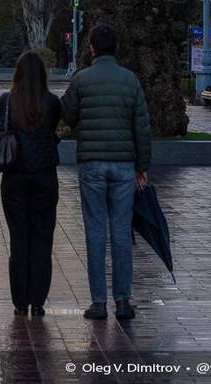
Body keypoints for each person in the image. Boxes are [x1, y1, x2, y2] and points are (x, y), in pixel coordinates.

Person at [61, 24, 151, 321]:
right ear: (116, 48)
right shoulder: (130, 80)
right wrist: (142, 166)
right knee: (122, 233)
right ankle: (123, 301)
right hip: (125, 165)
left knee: (96, 231)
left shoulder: (81, 80)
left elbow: (69, 115)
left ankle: (98, 302)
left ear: (92, 48)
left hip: (92, 164)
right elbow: (142, 126)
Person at [0, 51, 62, 317]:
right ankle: (38, 300)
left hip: (15, 177)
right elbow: (53, 130)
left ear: (18, 73)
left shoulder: (7, 101)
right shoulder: (53, 102)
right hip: (45, 176)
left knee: (19, 238)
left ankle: (20, 301)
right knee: (43, 239)